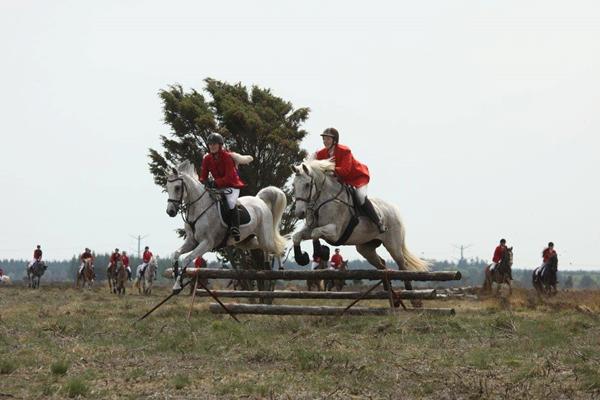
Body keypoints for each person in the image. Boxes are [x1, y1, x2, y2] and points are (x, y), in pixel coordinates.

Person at [315, 128, 386, 233]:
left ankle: (378, 222)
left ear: (334, 140)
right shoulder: (321, 153)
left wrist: (327, 167)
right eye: (324, 139)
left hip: (357, 178)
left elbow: (345, 171)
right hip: (341, 180)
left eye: (328, 139)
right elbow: (313, 162)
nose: (325, 141)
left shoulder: (345, 151)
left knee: (360, 197)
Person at [199, 132, 246, 241]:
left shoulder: (227, 157)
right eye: (210, 144)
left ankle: (235, 227)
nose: (212, 146)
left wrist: (215, 183)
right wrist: (204, 182)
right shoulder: (207, 159)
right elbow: (203, 176)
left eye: (214, 144)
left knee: (230, 202)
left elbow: (229, 177)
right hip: (218, 187)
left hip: (232, 185)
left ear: (220, 145)